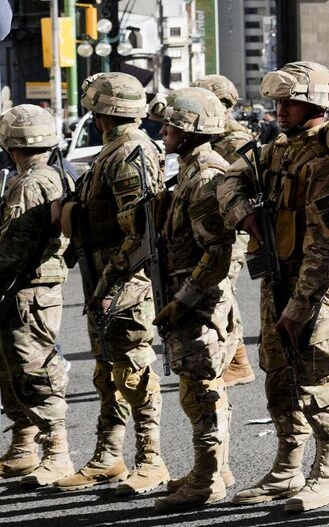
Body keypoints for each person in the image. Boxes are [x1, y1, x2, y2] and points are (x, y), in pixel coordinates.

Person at [217, 62, 329, 513]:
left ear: (313, 103)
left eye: (288, 102)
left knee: (318, 377)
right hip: (276, 277)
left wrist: (300, 305)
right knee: (279, 376)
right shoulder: (277, 149)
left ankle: (327, 474)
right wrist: (244, 212)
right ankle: (286, 468)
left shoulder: (326, 159)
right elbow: (229, 179)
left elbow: (325, 246)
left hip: (312, 286)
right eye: (277, 102)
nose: (279, 110)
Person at [54, 73, 168, 496]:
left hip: (123, 279)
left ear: (102, 110)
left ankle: (151, 460)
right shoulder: (112, 150)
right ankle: (108, 456)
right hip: (102, 276)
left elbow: (140, 229)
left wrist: (112, 280)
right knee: (108, 371)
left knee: (134, 371)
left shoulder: (131, 152)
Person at [148, 88, 243, 511]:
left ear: (191, 131)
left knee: (202, 390)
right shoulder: (190, 168)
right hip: (192, 299)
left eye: (173, 125)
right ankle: (213, 468)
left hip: (200, 303)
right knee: (198, 388)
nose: (165, 130)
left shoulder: (205, 176)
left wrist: (183, 300)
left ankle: (207, 480)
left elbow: (218, 250)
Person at [0, 105, 73, 488]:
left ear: (11, 142)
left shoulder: (30, 183)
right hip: (30, 288)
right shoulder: (51, 175)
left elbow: (14, 249)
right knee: (13, 370)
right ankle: (24, 447)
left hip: (27, 290)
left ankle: (57, 453)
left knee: (34, 372)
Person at [190, 75, 258, 388]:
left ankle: (237, 360)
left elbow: (252, 183)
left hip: (235, 228)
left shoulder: (233, 139)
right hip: (220, 225)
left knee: (223, 292)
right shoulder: (215, 135)